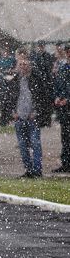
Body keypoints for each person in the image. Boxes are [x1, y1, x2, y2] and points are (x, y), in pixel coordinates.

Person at [4, 54, 52, 178]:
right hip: (20, 117)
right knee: (23, 145)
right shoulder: (15, 80)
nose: (22, 66)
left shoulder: (36, 79)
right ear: (17, 66)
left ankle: (37, 170)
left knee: (36, 144)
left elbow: (42, 97)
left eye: (25, 64)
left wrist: (36, 113)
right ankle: (28, 170)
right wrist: (13, 113)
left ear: (30, 65)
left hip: (32, 117)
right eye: (20, 64)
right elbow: (10, 98)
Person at [53, 44, 70, 173]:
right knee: (65, 136)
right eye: (67, 51)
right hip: (64, 109)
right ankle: (66, 163)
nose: (68, 54)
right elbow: (57, 85)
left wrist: (68, 99)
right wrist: (57, 97)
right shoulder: (63, 69)